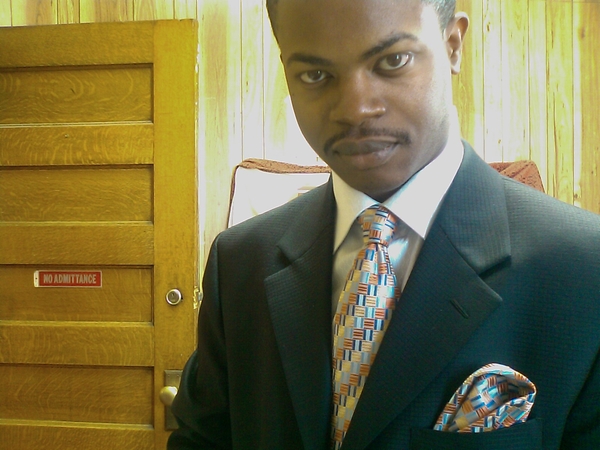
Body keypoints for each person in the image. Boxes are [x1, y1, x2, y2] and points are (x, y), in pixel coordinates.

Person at [168, 0, 600, 448]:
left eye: (393, 61)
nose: (355, 108)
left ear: (453, 45)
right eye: (315, 74)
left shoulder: (585, 272)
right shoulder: (240, 262)